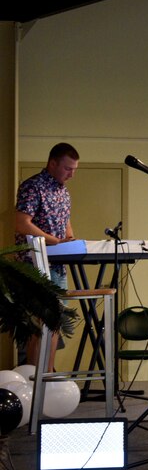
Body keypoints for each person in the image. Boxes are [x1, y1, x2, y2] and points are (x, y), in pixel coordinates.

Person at [14, 142, 80, 369]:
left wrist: (70, 241)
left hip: (57, 264)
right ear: (52, 163)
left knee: (53, 325)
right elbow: (22, 224)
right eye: (67, 169)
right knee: (40, 326)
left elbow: (65, 222)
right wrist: (56, 242)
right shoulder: (33, 186)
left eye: (74, 170)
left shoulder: (63, 191)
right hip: (34, 265)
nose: (71, 174)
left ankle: (47, 379)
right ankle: (35, 382)